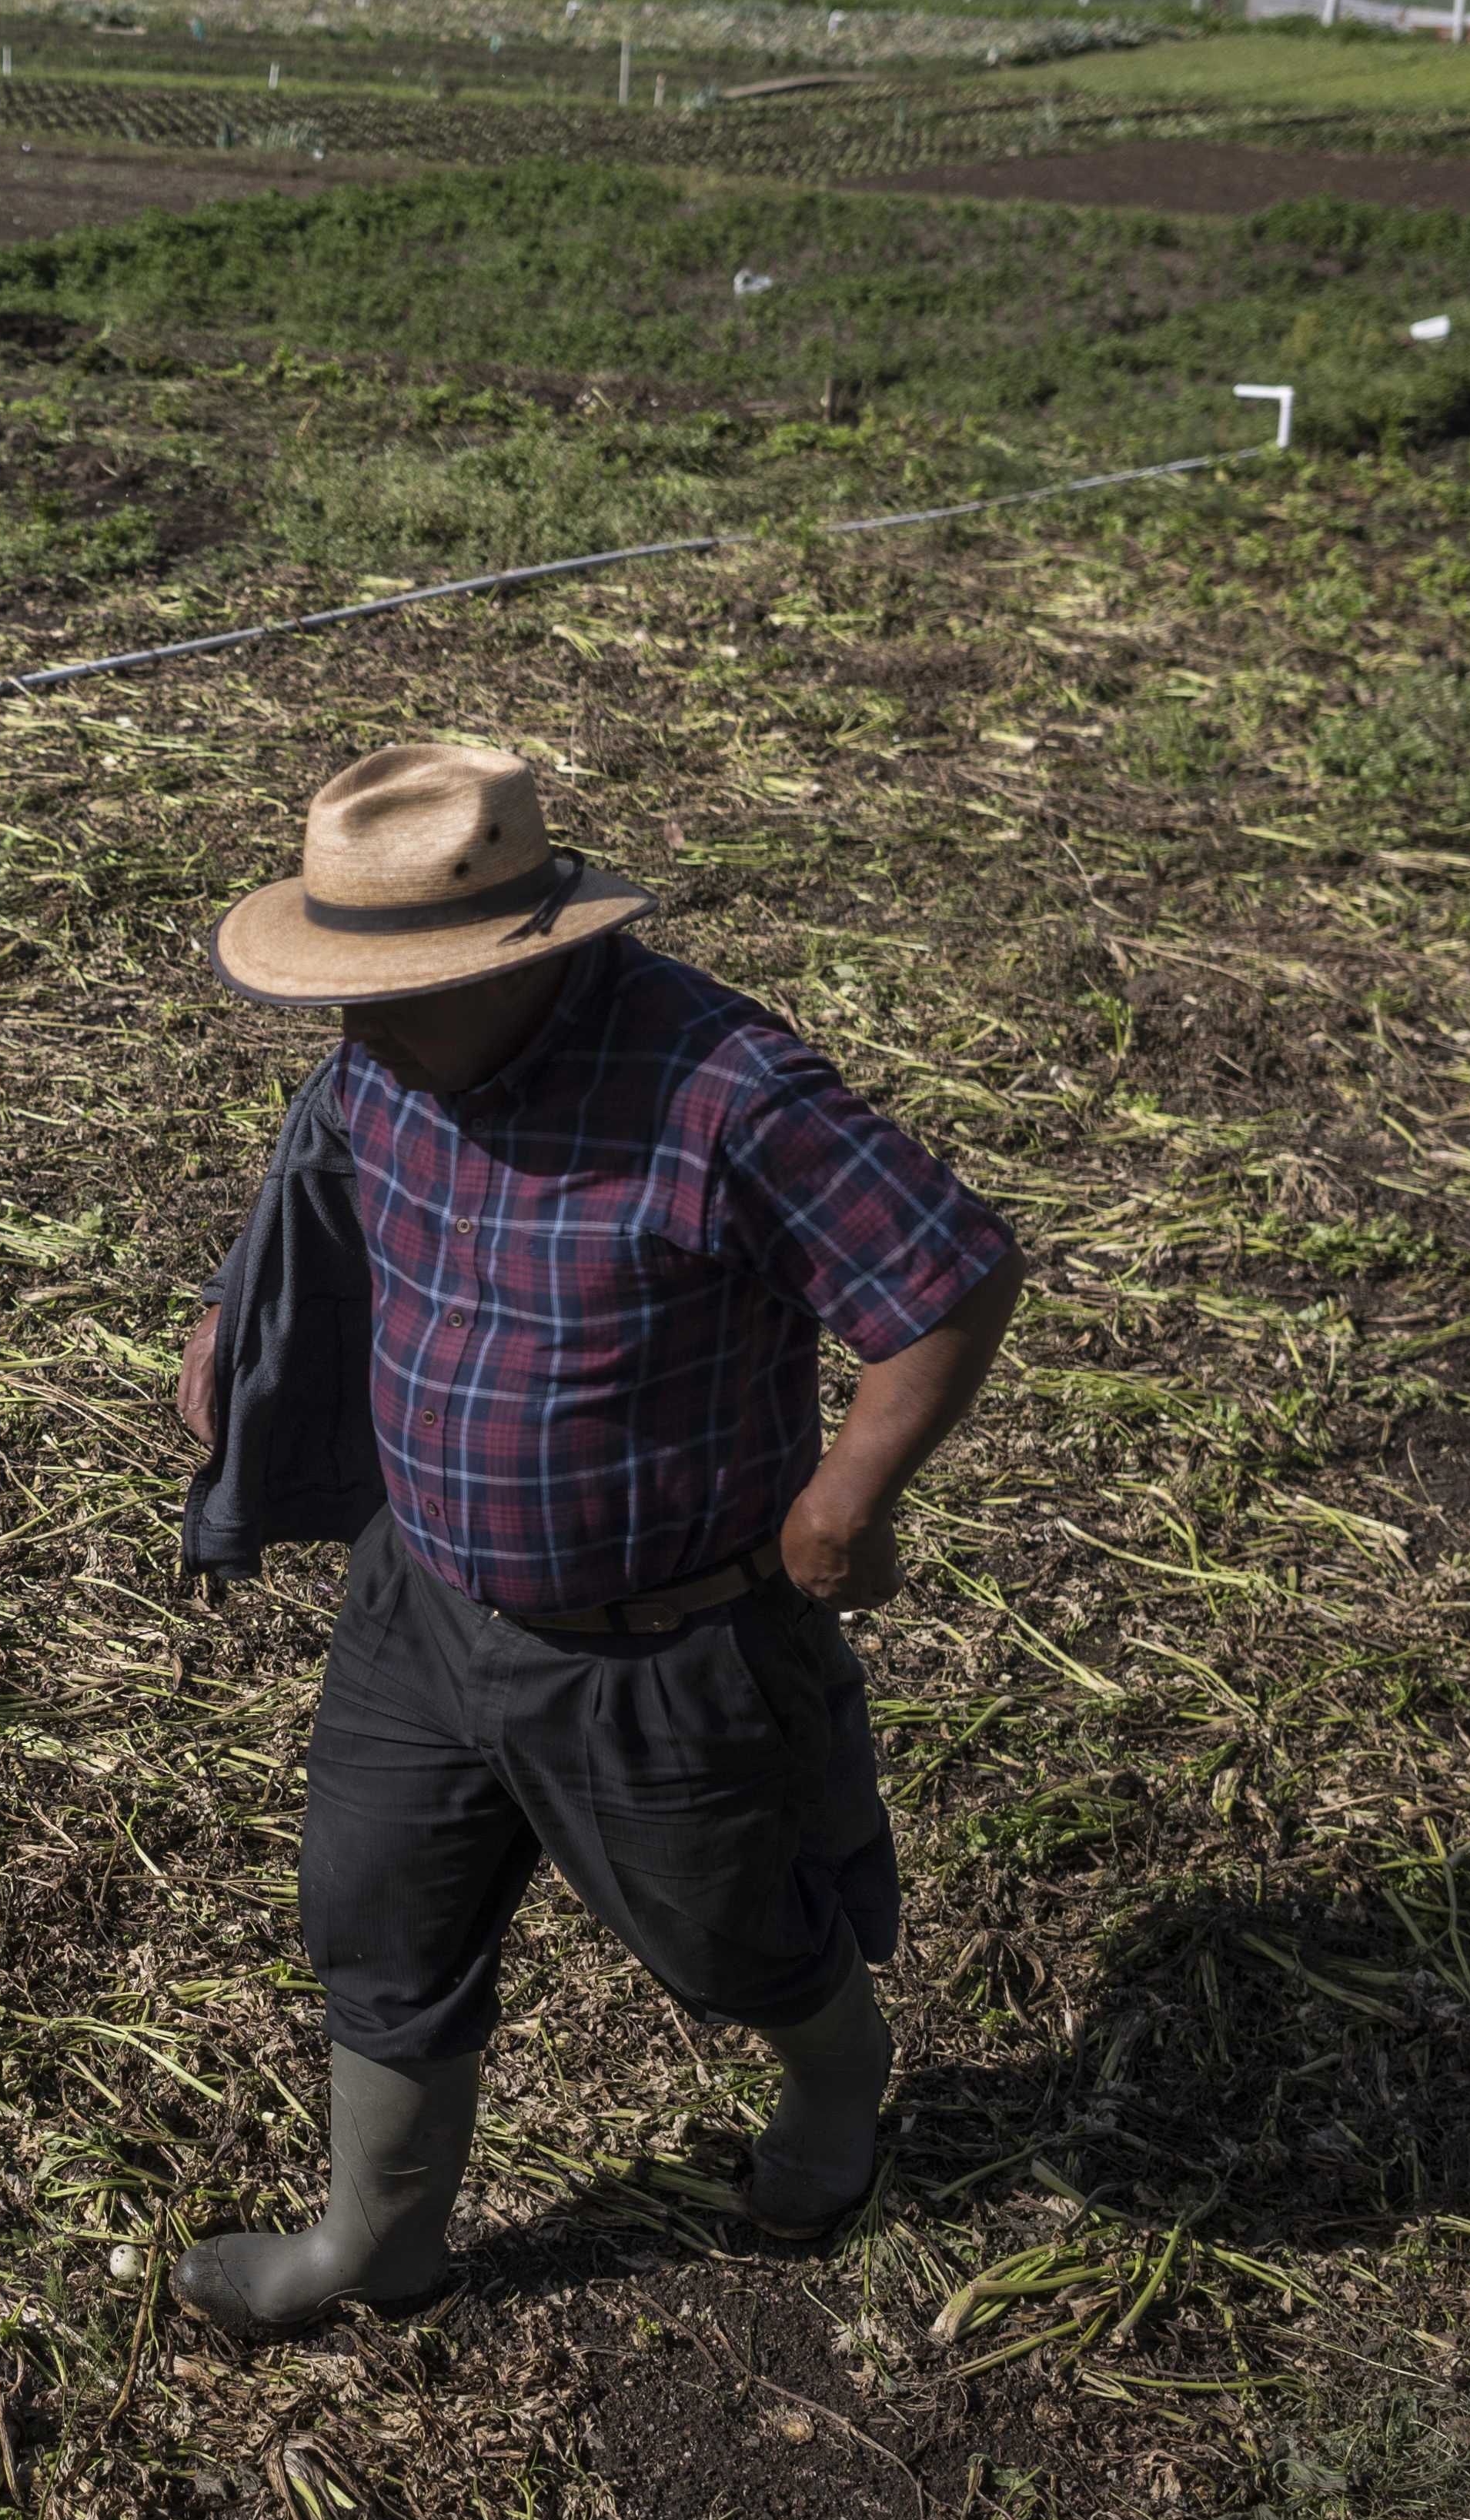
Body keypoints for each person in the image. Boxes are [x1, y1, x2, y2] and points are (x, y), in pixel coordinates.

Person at [167, 744, 1027, 2337]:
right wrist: (243, 1309)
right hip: (417, 1601)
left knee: (732, 1933)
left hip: (665, 1650)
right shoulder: (392, 1053)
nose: (352, 1027)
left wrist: (847, 1502)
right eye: (342, 987)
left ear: (527, 955)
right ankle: (379, 2240)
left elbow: (950, 1276)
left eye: (392, 987)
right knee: (377, 1912)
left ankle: (835, 2105)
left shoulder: (721, 1090)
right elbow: (331, 1168)